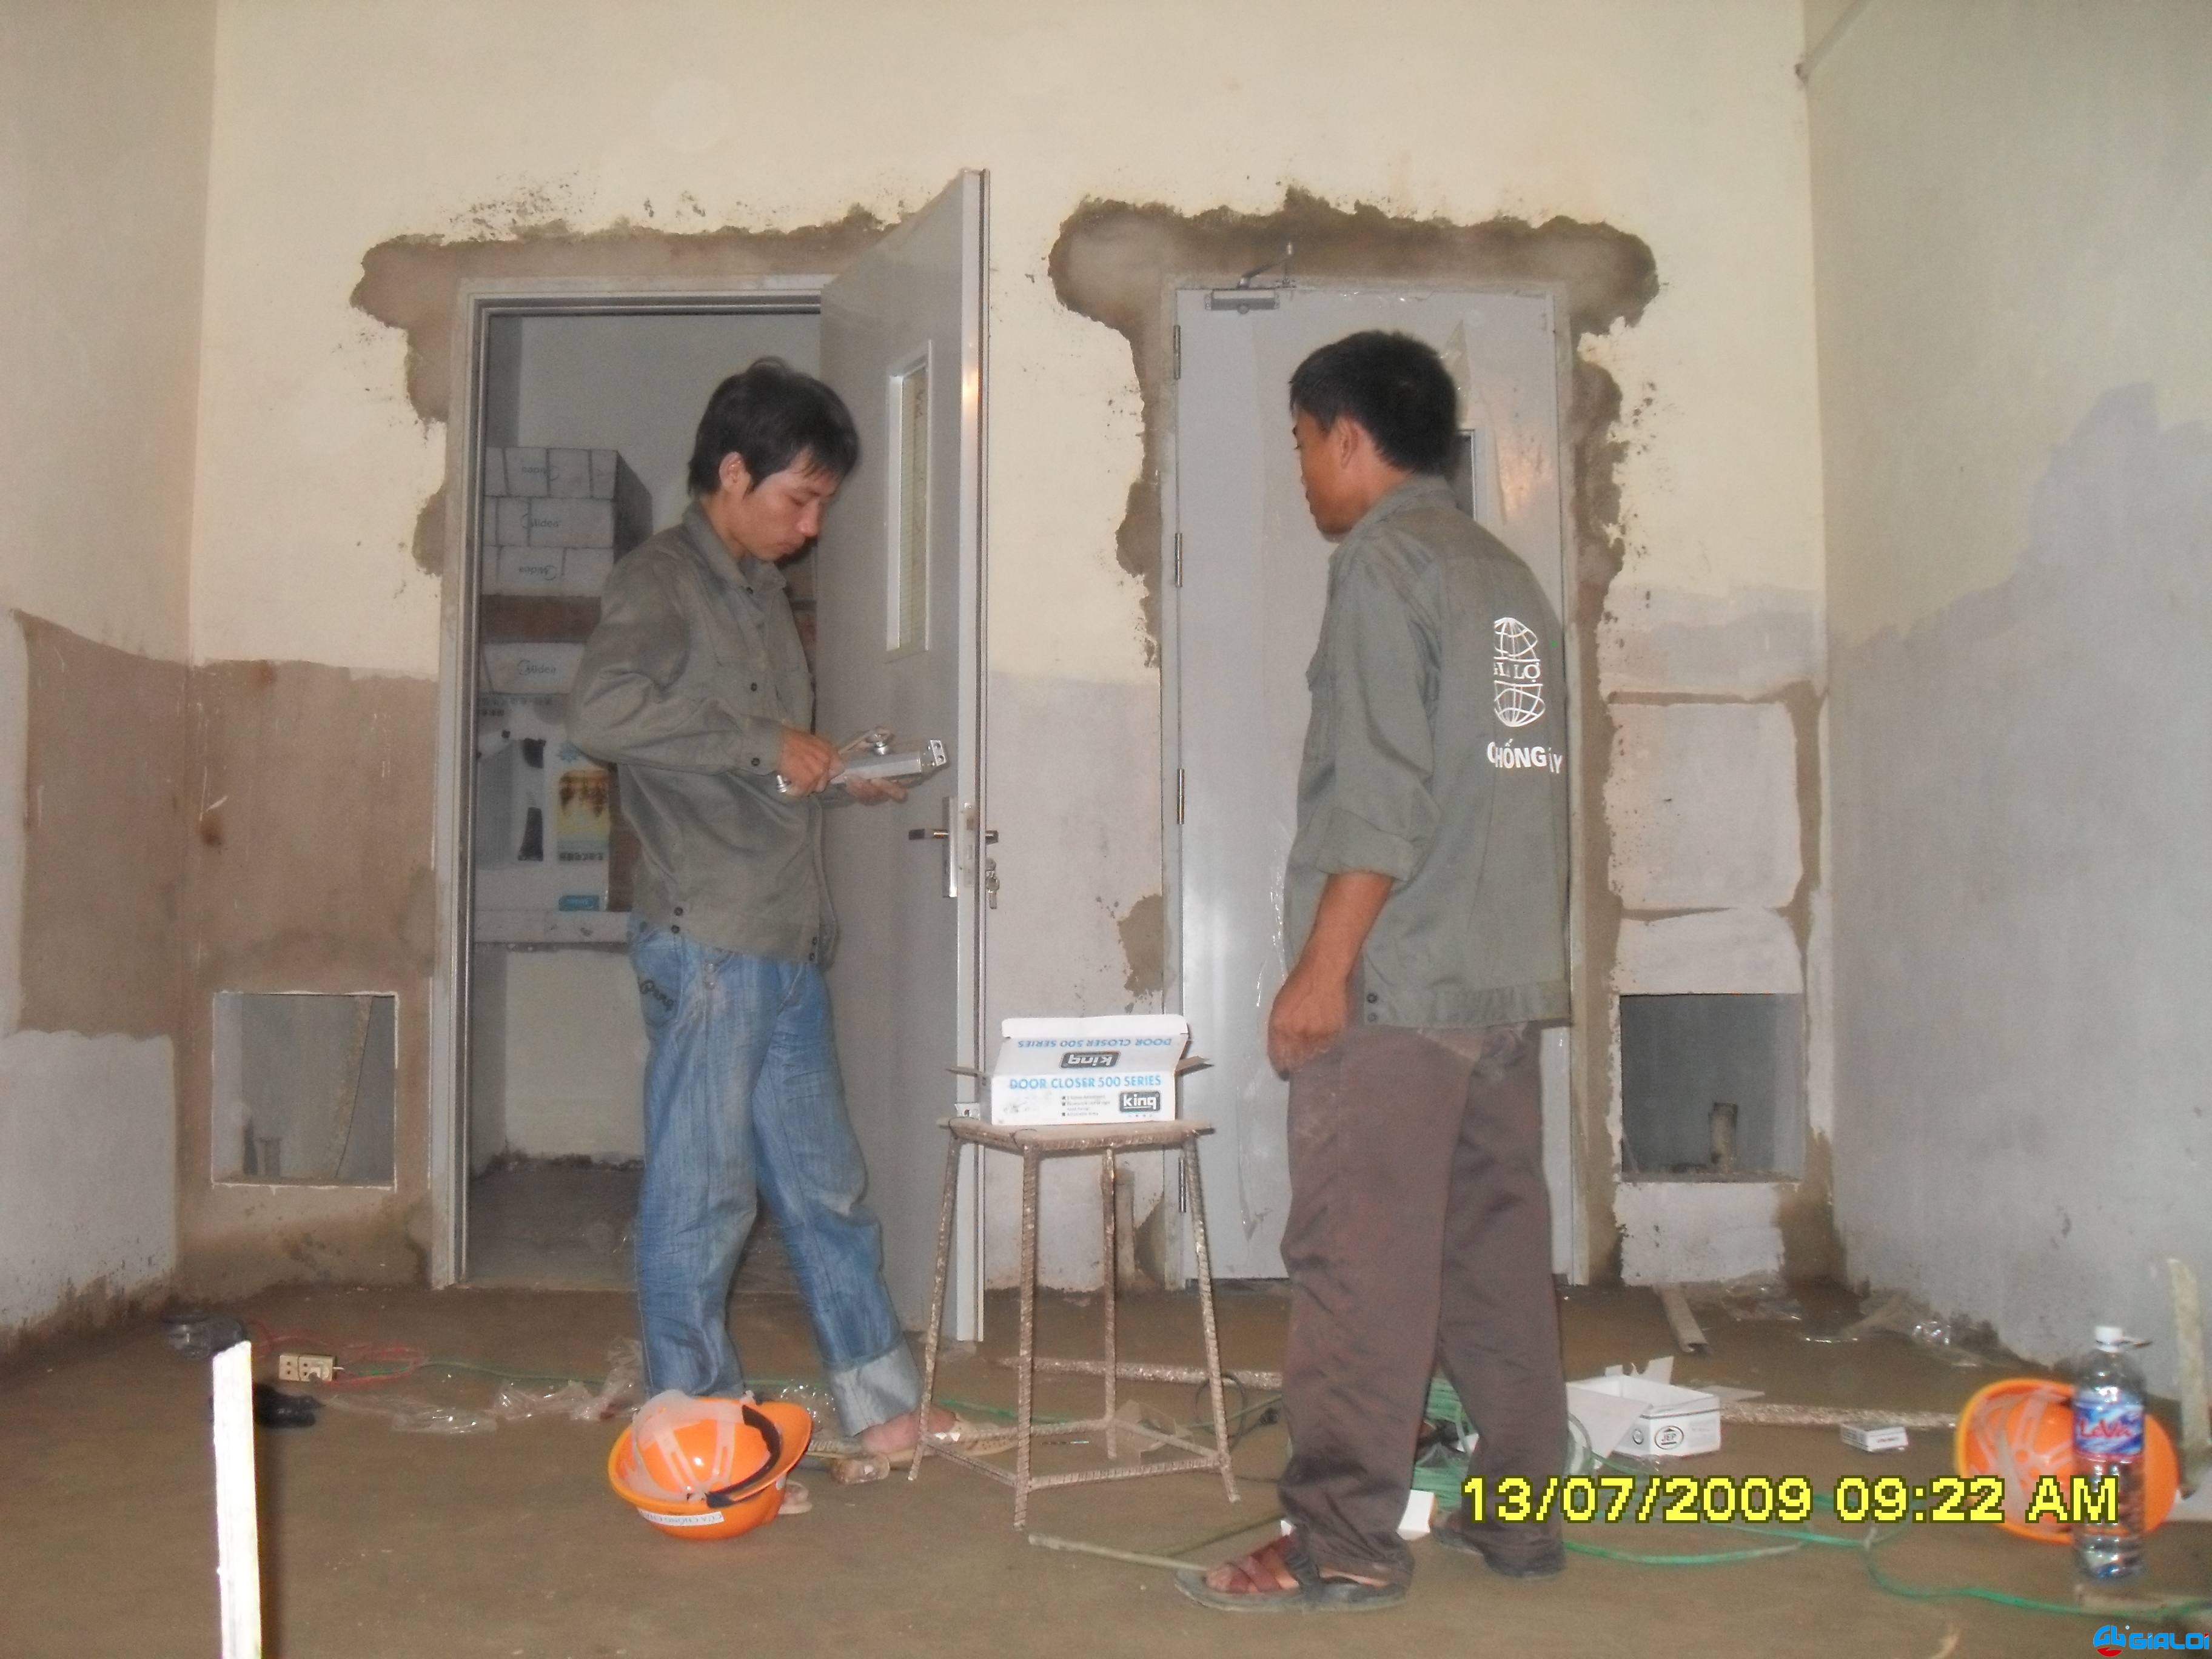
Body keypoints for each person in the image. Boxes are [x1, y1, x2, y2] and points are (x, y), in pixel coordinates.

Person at [1179, 332, 1572, 1612]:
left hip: (1400, 991)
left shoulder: (1384, 566)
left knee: (1357, 1263)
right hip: (1499, 982)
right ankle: (1520, 1519)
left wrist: (1322, 971)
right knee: (1494, 1258)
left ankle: (1342, 1538)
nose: (1303, 472)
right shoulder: (1504, 577)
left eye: (1303, 443)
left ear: (1350, 436)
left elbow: (1381, 799)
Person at [568, 360, 947, 1461]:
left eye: (824, 503)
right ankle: (693, 1428)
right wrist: (761, 740)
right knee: (703, 1199)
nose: (812, 524)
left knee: (829, 1189)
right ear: (733, 473)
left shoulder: (761, 592)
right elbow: (602, 710)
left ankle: (886, 1411)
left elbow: (747, 766)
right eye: (801, 498)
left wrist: (833, 774)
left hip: (782, 935)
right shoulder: (662, 580)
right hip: (711, 943)